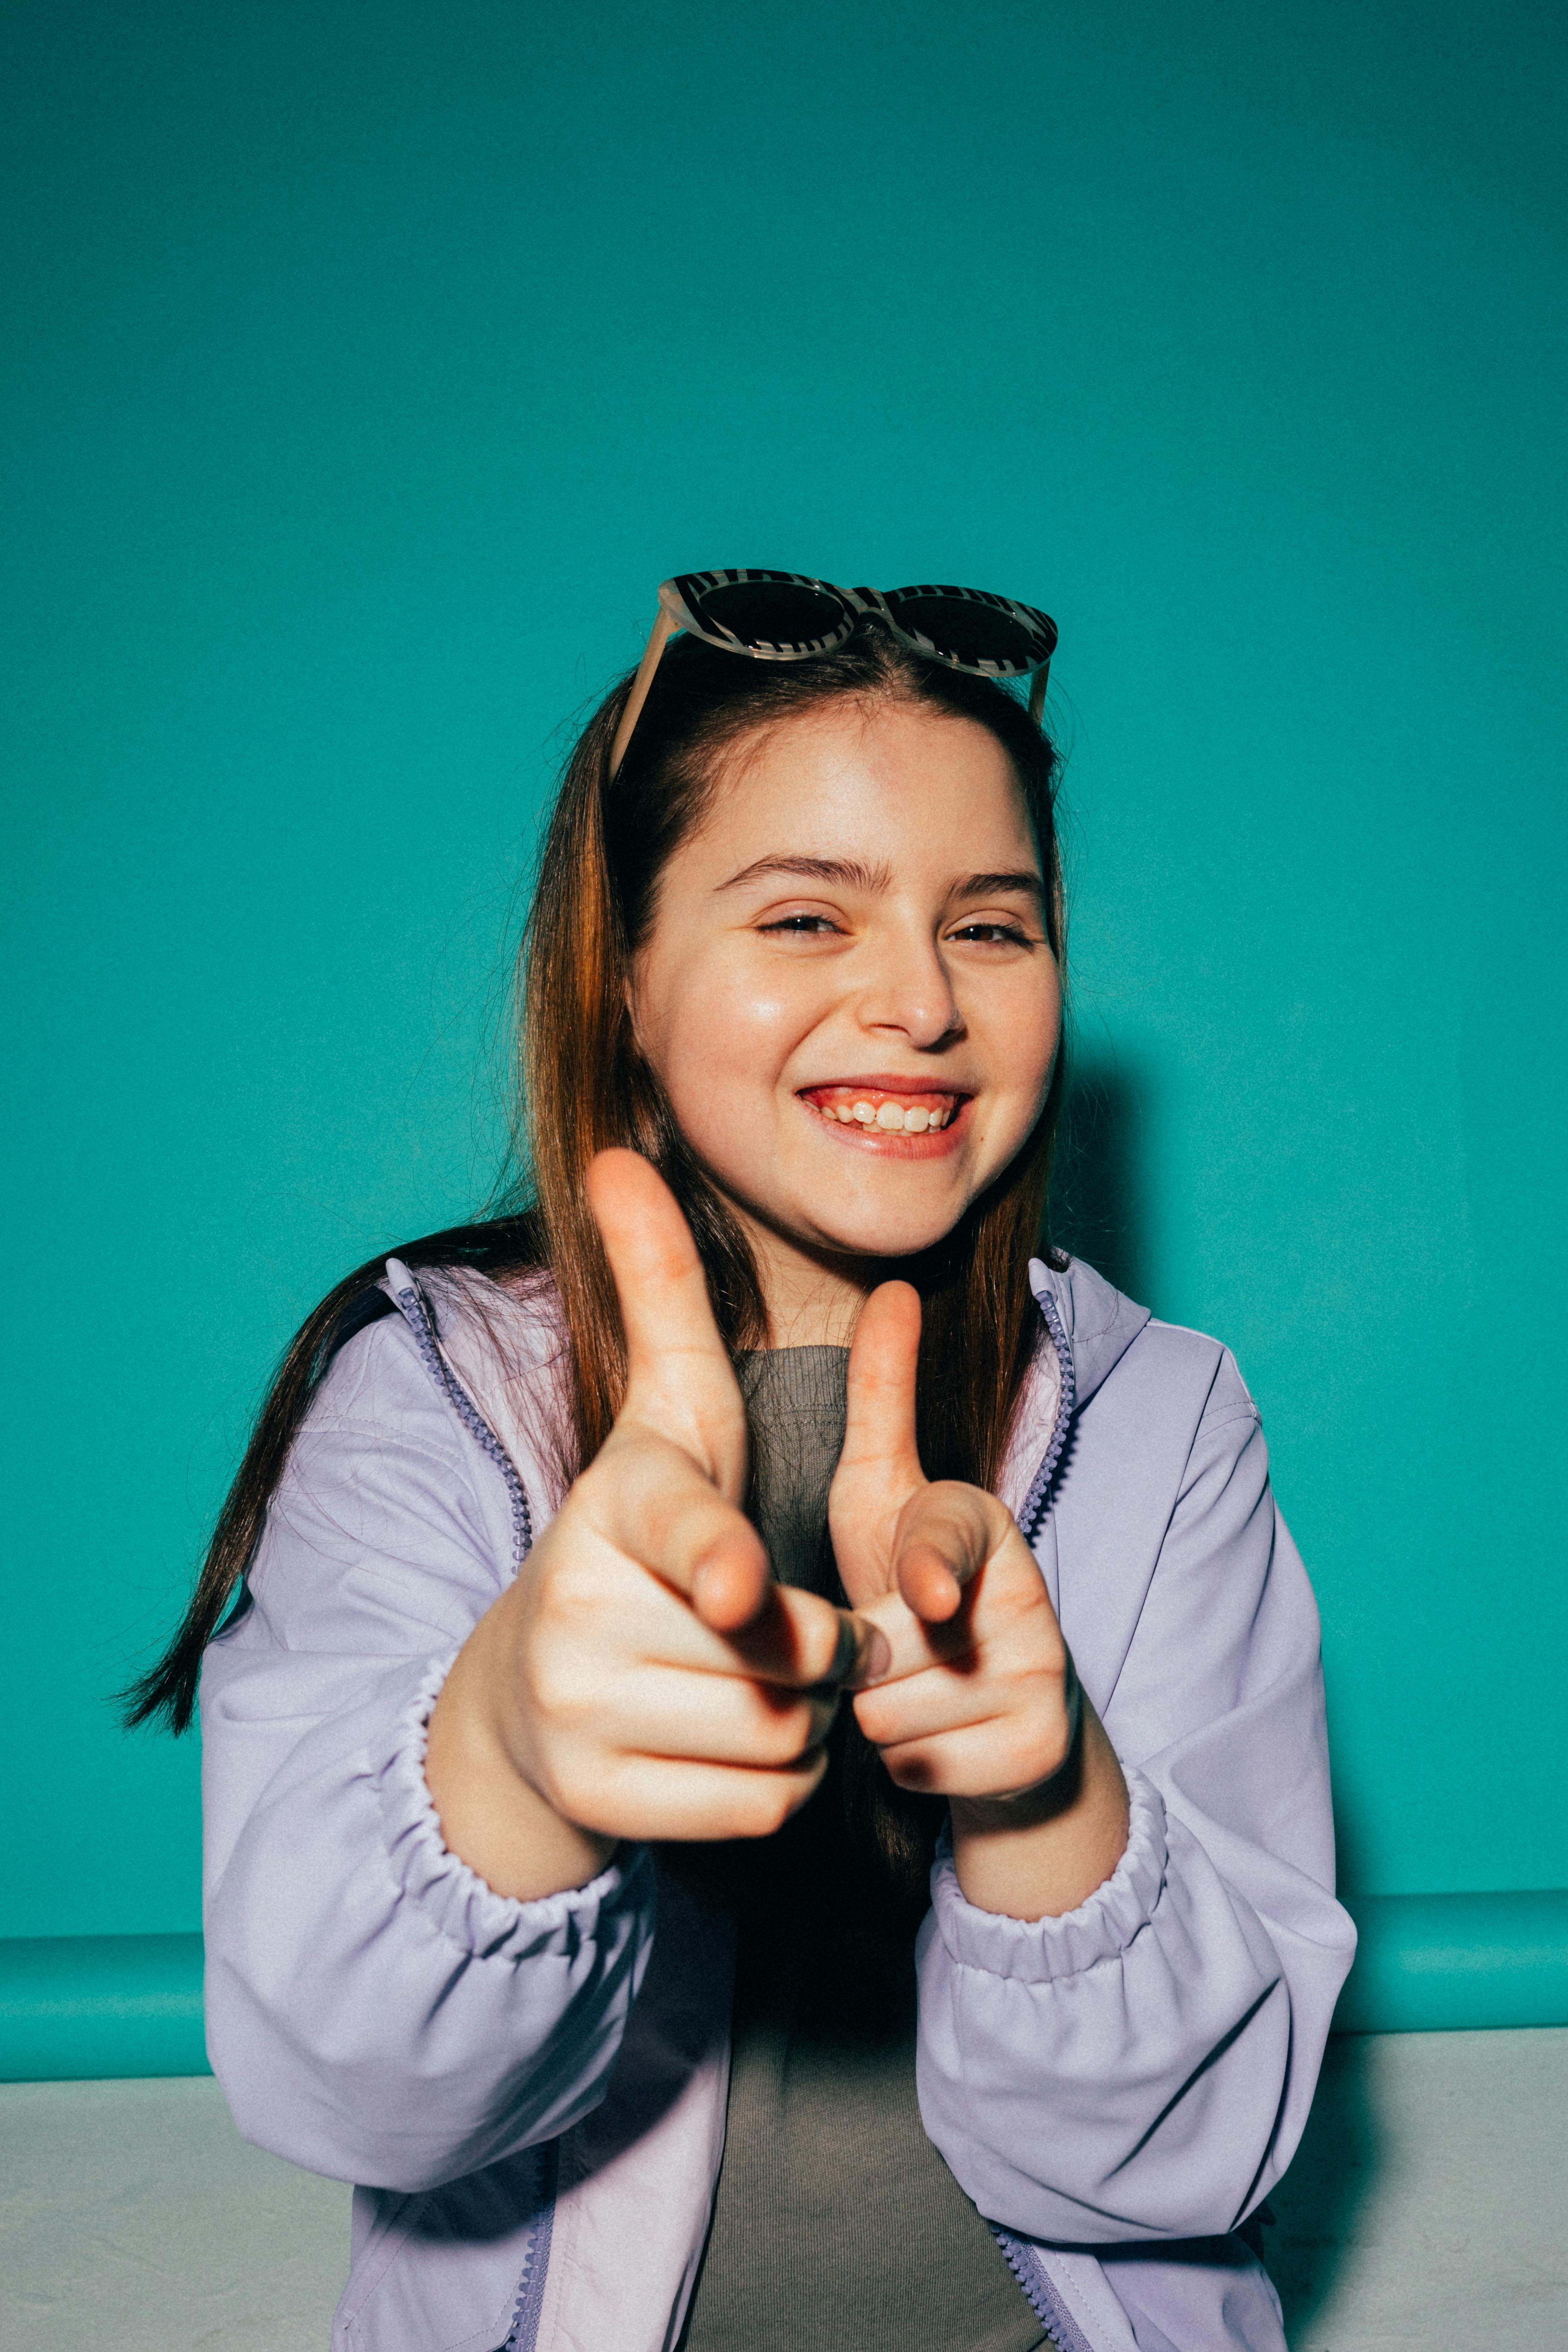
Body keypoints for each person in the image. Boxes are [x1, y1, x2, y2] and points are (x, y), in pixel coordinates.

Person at [131, 571, 1356, 2352]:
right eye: (805, 918)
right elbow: (352, 2099)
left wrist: (1044, 1800)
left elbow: (1199, 2162)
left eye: (992, 925)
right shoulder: (418, 1405)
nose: (920, 1002)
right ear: (622, 976)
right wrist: (507, 1757)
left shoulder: (1167, 1417)